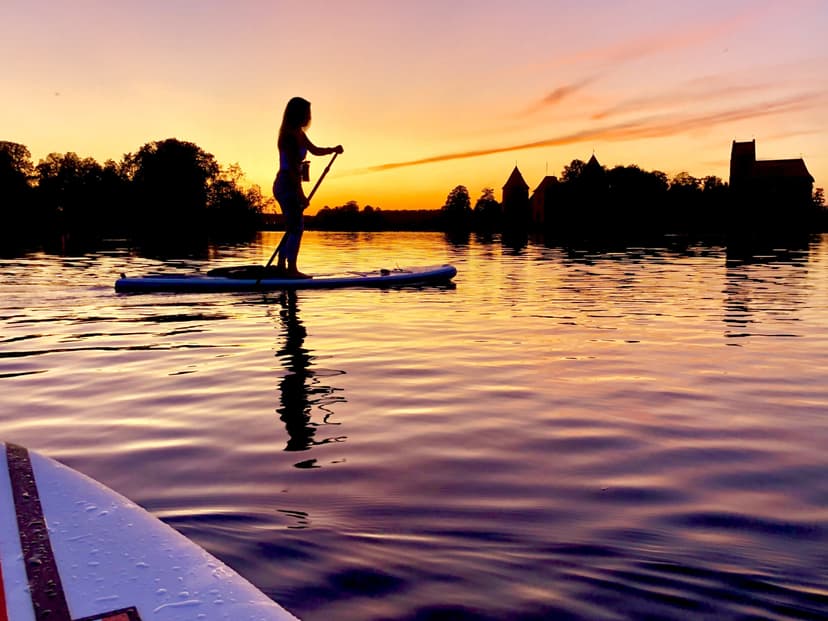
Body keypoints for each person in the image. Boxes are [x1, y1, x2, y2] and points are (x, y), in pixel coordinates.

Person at [273, 97, 343, 278]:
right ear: (298, 114)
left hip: (287, 184)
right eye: (306, 113)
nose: (309, 117)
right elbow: (291, 170)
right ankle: (291, 269)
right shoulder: (288, 136)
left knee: (291, 226)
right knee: (296, 227)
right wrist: (301, 194)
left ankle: (282, 266)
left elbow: (314, 149)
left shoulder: (298, 133)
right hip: (287, 184)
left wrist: (332, 149)